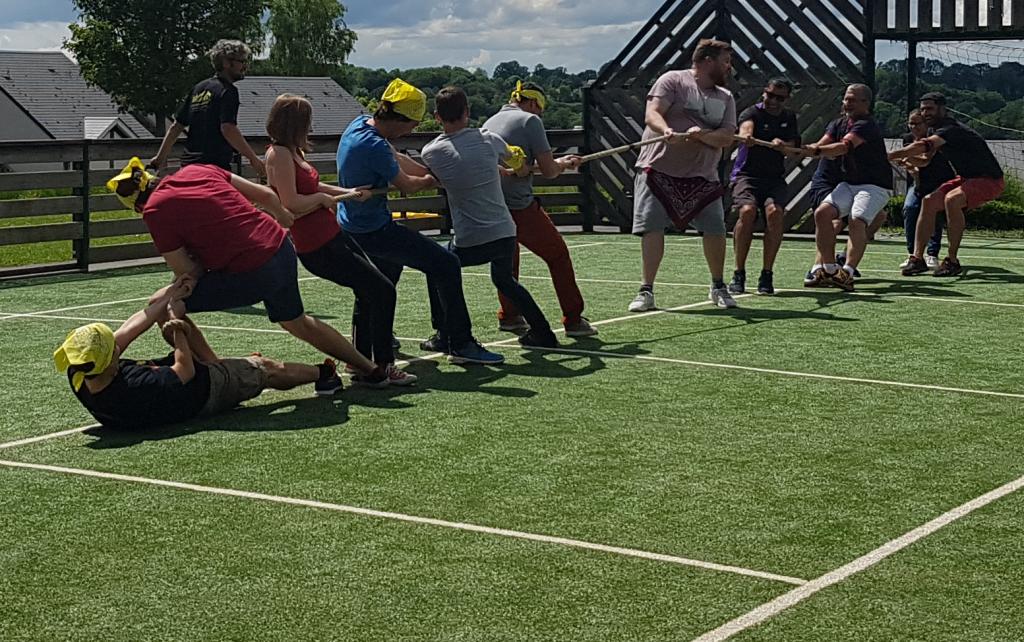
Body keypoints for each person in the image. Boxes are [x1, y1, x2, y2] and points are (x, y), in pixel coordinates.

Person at [107, 157, 389, 384]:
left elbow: (188, 273)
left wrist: (186, 274)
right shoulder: (198, 169)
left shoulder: (154, 211)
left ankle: (219, 373)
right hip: (280, 247)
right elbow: (266, 195)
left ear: (139, 205)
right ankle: (369, 368)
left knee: (164, 303)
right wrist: (283, 217)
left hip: (255, 268)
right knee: (296, 321)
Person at [335, 78, 504, 365]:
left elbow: (397, 158)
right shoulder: (374, 145)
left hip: (353, 225)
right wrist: (436, 178)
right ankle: (459, 342)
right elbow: (409, 185)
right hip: (373, 229)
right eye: (413, 125)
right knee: (446, 263)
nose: (413, 130)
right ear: (400, 119)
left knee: (379, 282)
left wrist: (430, 170)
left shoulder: (361, 124)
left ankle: (370, 347)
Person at [264, 94, 416, 386]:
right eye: (306, 121)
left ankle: (360, 362)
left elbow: (311, 185)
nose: (310, 127)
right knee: (383, 290)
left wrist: (345, 191)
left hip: (333, 235)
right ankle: (383, 366)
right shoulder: (279, 154)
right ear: (293, 123)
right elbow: (291, 202)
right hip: (316, 246)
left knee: (371, 288)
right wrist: (323, 198)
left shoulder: (295, 152)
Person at [54, 284, 344, 431]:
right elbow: (185, 370)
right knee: (264, 368)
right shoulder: (134, 389)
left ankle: (224, 363)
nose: (118, 343)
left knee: (161, 303)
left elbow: (128, 331)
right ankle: (324, 374)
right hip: (203, 392)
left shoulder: (82, 370)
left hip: (173, 388)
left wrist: (166, 300)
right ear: (109, 359)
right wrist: (176, 328)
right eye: (112, 346)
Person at [421, 86, 559, 349]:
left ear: (437, 117)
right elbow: (517, 162)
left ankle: (443, 334)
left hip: (470, 237)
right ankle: (543, 332)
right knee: (505, 280)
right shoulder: (489, 139)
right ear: (468, 112)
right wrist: (509, 169)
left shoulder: (432, 152)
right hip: (505, 231)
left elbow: (447, 168)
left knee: (436, 265)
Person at [628, 38, 739, 312]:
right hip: (659, 168)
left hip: (702, 175)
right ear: (707, 61)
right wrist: (666, 131)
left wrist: (704, 135)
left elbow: (727, 135)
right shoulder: (672, 80)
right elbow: (652, 113)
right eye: (725, 61)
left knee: (715, 228)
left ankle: (717, 286)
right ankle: (646, 291)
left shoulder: (725, 97)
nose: (729, 67)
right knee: (652, 227)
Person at [480, 82, 596, 337]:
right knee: (558, 256)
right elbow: (549, 170)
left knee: (507, 264)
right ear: (533, 103)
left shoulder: (489, 121)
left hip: (494, 205)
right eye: (540, 109)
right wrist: (564, 163)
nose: (540, 114)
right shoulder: (530, 121)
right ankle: (573, 320)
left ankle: (510, 316)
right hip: (520, 205)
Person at [888, 92, 1005, 276]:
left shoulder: (950, 128)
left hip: (989, 179)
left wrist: (891, 155)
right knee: (928, 201)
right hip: (966, 178)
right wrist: (906, 162)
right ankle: (917, 259)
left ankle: (952, 260)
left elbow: (924, 146)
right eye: (923, 109)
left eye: (930, 109)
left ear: (943, 109)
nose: (926, 113)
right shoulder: (933, 130)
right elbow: (925, 160)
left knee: (952, 200)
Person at [802, 84, 893, 291]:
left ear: (865, 103)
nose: (847, 103)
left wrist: (815, 150)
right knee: (822, 213)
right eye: (845, 99)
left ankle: (848, 272)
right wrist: (804, 149)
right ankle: (829, 269)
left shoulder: (866, 125)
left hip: (875, 186)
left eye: (852, 99)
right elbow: (823, 144)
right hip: (849, 183)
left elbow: (843, 146)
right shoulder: (838, 124)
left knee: (856, 219)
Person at [150, 39, 265, 176]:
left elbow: (176, 126)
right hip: (213, 168)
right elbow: (228, 128)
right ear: (226, 63)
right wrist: (253, 159)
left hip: (187, 167)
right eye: (242, 61)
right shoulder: (228, 91)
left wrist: (160, 158)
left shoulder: (198, 88)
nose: (245, 67)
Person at [728, 78, 800, 296]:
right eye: (770, 95)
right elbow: (744, 130)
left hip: (774, 179)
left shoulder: (789, 118)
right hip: (747, 176)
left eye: (780, 98)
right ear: (764, 93)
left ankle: (766, 274)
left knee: (775, 213)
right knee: (747, 212)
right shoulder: (752, 113)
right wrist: (747, 137)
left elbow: (794, 147)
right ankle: (738, 272)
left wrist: (783, 145)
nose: (774, 101)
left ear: (787, 99)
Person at [897, 109, 952, 270]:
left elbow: (924, 161)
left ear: (926, 124)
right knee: (910, 207)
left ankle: (932, 254)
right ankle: (913, 255)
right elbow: (912, 165)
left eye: (917, 123)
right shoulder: (907, 139)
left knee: (932, 212)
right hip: (920, 182)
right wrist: (908, 165)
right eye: (910, 123)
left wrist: (899, 156)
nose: (914, 127)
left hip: (939, 181)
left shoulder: (934, 138)